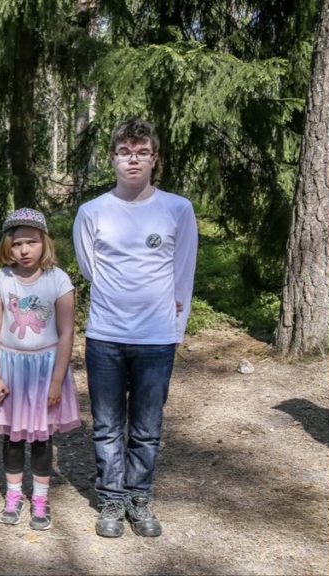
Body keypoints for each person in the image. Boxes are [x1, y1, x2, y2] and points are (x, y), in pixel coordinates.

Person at [72, 118, 198, 538]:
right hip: (106, 335)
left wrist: (174, 329)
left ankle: (139, 497)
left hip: (156, 338)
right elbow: (91, 269)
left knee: (147, 428)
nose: (133, 159)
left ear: (154, 158)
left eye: (142, 152)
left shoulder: (177, 208)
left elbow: (183, 275)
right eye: (125, 151)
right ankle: (111, 498)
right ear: (112, 157)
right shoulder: (92, 212)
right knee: (107, 425)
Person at [0, 208, 81, 531]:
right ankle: (13, 495)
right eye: (18, 242)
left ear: (44, 243)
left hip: (45, 371)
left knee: (41, 438)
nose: (24, 250)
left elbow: (66, 332)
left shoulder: (58, 280)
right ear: (8, 245)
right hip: (10, 369)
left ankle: (40, 498)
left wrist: (57, 381)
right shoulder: (1, 280)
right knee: (12, 437)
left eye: (31, 242)